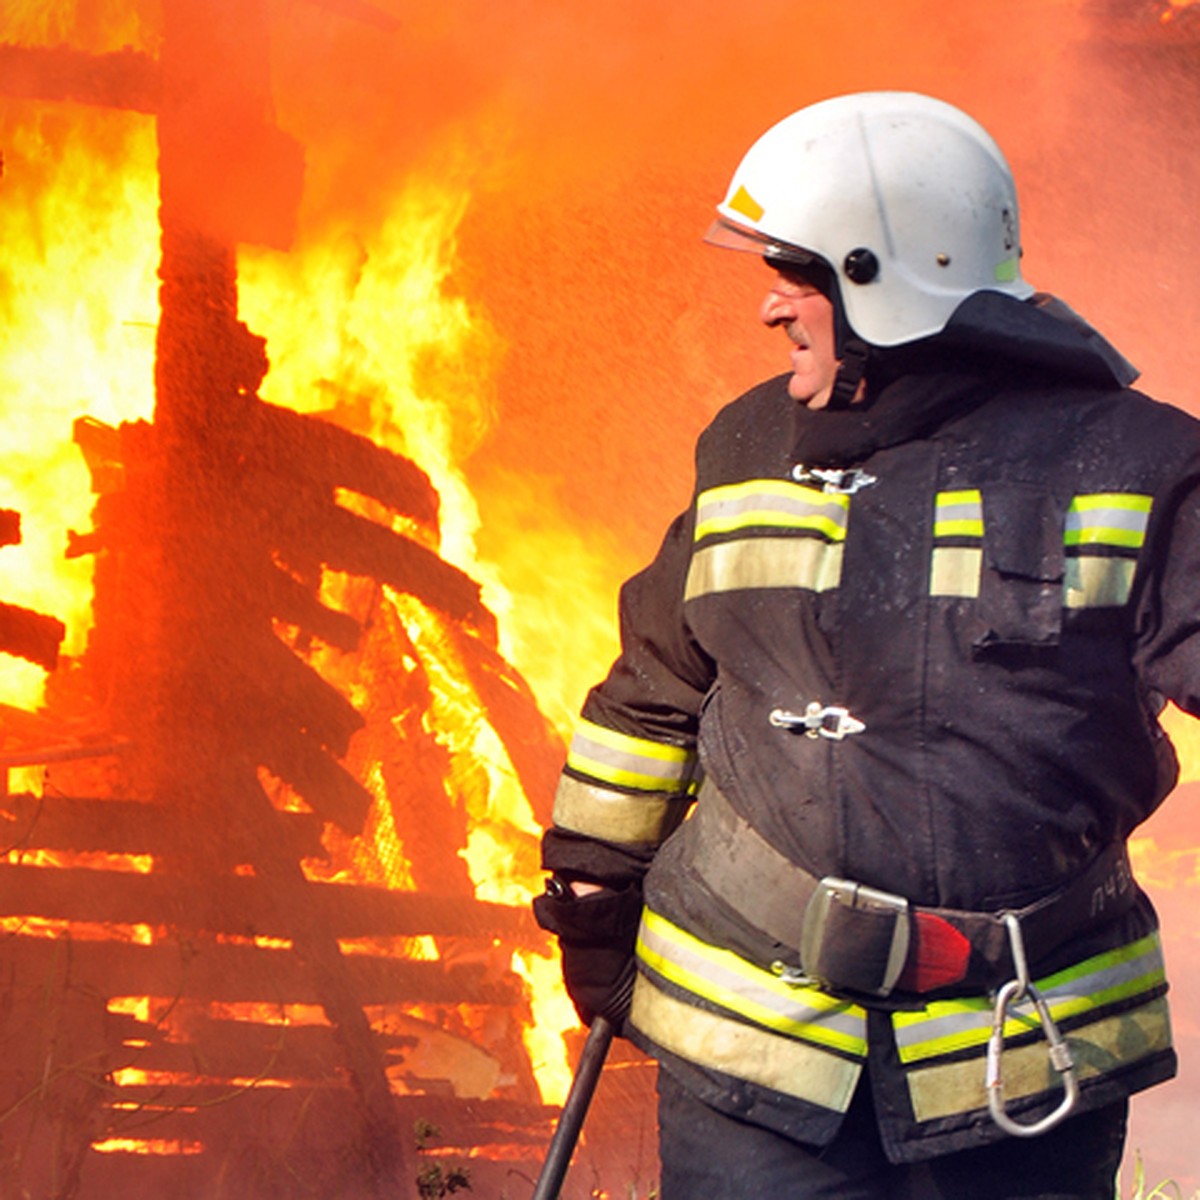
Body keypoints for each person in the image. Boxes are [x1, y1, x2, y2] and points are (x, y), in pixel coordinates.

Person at [533, 90, 1198, 1199]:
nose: (770, 309)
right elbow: (650, 696)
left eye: (797, 276)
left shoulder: (1141, 465)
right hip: (755, 1054)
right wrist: (592, 900)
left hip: (1023, 1062)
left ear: (884, 278)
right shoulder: (747, 445)